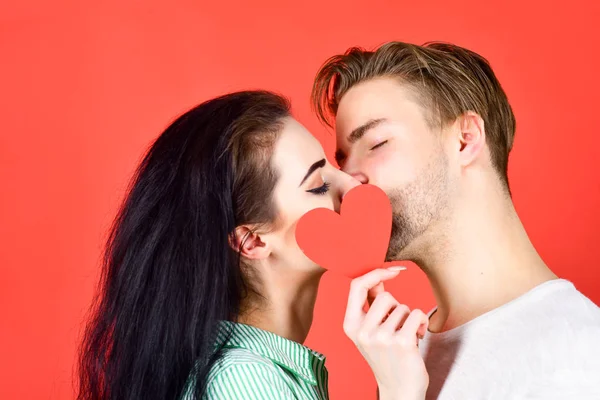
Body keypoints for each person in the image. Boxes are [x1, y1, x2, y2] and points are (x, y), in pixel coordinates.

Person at [76, 90, 427, 400]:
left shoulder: (254, 372)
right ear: (252, 240)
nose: (352, 184)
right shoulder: (245, 381)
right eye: (319, 185)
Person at [312, 41, 600, 399]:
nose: (347, 181)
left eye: (376, 143)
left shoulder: (579, 359)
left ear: (465, 140)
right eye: (343, 163)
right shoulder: (404, 356)